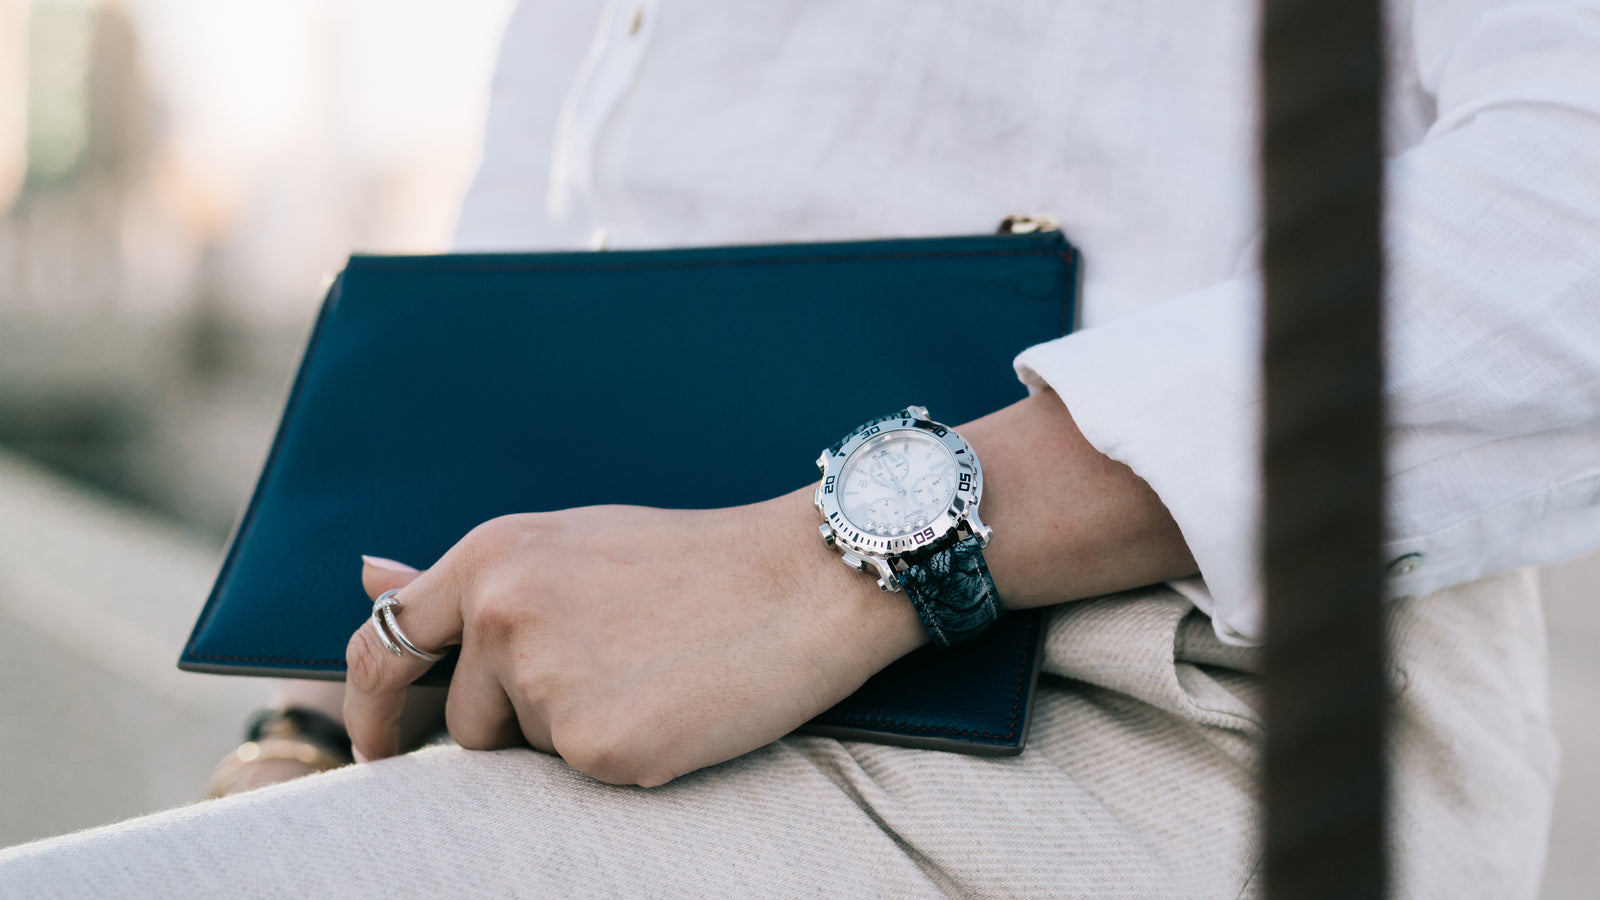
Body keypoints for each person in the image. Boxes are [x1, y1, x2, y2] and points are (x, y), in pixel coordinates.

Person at [3, 0, 1597, 895]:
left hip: (1144, 708)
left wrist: (836, 562)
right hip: (607, 688)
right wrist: (328, 699)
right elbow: (577, 194)